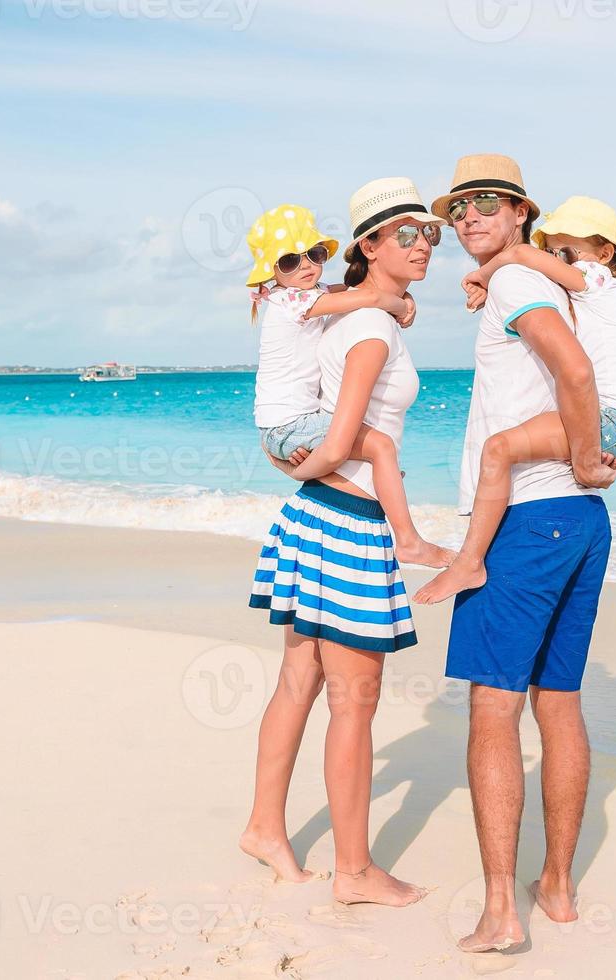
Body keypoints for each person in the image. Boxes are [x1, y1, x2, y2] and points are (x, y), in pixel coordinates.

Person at [431, 154, 616, 952]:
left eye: (485, 204)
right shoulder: (540, 280)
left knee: (492, 708)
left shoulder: (515, 284)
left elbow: (573, 371)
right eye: (457, 210)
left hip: (529, 519)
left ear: (518, 213)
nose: (468, 217)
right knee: (560, 703)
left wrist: (580, 451)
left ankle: (503, 913)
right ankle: (560, 889)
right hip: (579, 521)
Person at [243, 177, 443, 907]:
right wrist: (316, 466)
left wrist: (299, 469)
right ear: (371, 244)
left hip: (311, 514)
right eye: (409, 234)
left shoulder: (346, 318)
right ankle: (354, 872)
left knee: (300, 683)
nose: (424, 245)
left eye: (432, 234)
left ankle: (266, 826)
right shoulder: (365, 326)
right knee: (354, 701)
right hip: (347, 522)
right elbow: (341, 438)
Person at [415, 195, 616, 604]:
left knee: (499, 449)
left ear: (604, 253)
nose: (558, 262)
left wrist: (483, 275)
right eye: (553, 252)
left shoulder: (593, 278)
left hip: (607, 420)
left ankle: (469, 561)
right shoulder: (588, 296)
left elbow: (522, 254)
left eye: (565, 252)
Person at [248, 203, 453, 568]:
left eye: (314, 253)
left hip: (303, 473)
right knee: (381, 447)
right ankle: (409, 541)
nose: (308, 265)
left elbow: (352, 289)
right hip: (325, 486)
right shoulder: (302, 302)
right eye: (291, 261)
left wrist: (402, 300)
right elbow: (370, 296)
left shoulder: (312, 296)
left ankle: (394, 501)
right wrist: (398, 303)